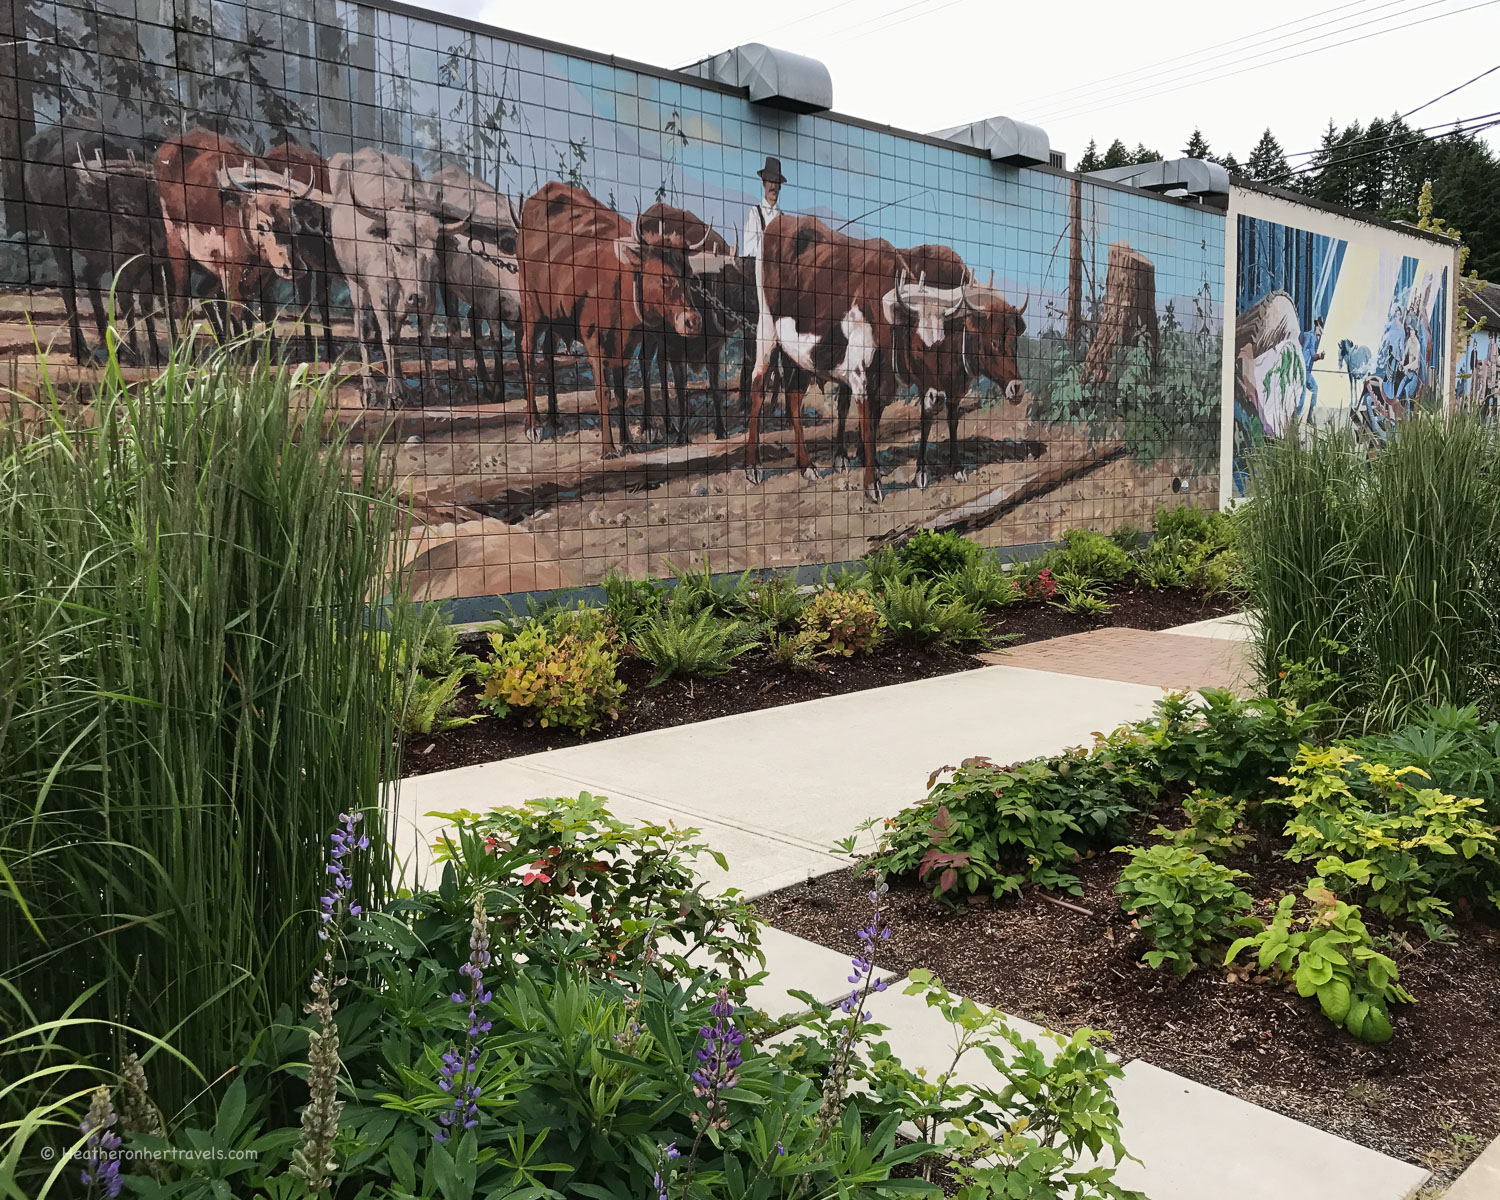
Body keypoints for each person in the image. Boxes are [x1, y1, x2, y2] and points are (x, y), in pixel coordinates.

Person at [741, 156, 785, 270]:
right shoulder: (755, 214)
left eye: (776, 182)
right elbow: (750, 252)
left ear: (780, 186)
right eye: (770, 181)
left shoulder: (784, 220)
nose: (773, 186)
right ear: (764, 184)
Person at [1297, 316, 1324, 419]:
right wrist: (1320, 356)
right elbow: (1312, 355)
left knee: (1303, 392)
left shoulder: (1306, 335)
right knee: (1310, 390)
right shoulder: (1312, 337)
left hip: (1301, 368)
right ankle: (1309, 416)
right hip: (1305, 369)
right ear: (1317, 326)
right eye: (1320, 330)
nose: (1320, 334)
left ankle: (1299, 416)